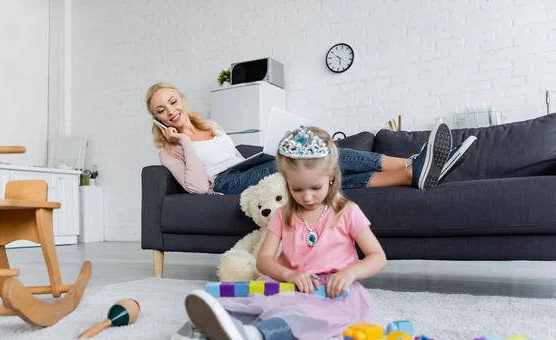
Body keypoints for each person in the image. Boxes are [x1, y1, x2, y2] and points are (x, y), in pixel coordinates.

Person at [170, 126, 390, 340]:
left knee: (301, 317)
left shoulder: (347, 212)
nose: (307, 197)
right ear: (286, 183)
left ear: (331, 178)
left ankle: (253, 338)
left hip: (332, 292)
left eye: (316, 188)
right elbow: (264, 260)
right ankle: (197, 332)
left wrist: (350, 273)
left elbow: (377, 256)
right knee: (251, 306)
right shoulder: (282, 214)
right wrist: (289, 276)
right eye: (297, 189)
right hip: (289, 283)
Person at [146, 82, 477, 195]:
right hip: (226, 184)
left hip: (248, 167)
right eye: (161, 110)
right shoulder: (169, 153)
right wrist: (184, 142)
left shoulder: (213, 125)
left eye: (173, 102)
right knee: (307, 157)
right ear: (158, 120)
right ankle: (415, 165)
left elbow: (236, 156)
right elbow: (199, 188)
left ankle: (410, 172)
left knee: (318, 155)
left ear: (183, 99)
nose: (171, 111)